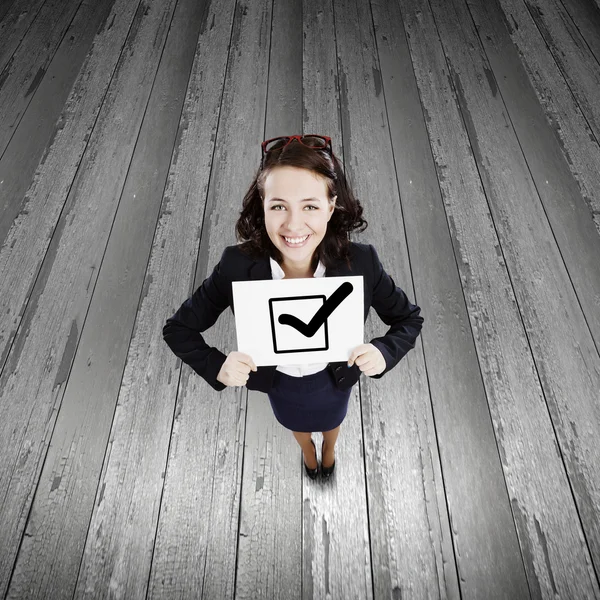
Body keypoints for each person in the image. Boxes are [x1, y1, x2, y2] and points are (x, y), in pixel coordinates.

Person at [163, 134, 424, 480]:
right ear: (263, 204)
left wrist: (384, 352)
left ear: (331, 207)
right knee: (297, 428)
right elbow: (178, 329)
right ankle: (308, 453)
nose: (294, 225)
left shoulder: (361, 262)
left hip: (333, 381)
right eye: (279, 206)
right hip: (280, 385)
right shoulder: (236, 266)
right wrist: (217, 366)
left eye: (310, 206)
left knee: (333, 424)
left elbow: (408, 318)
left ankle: (329, 450)